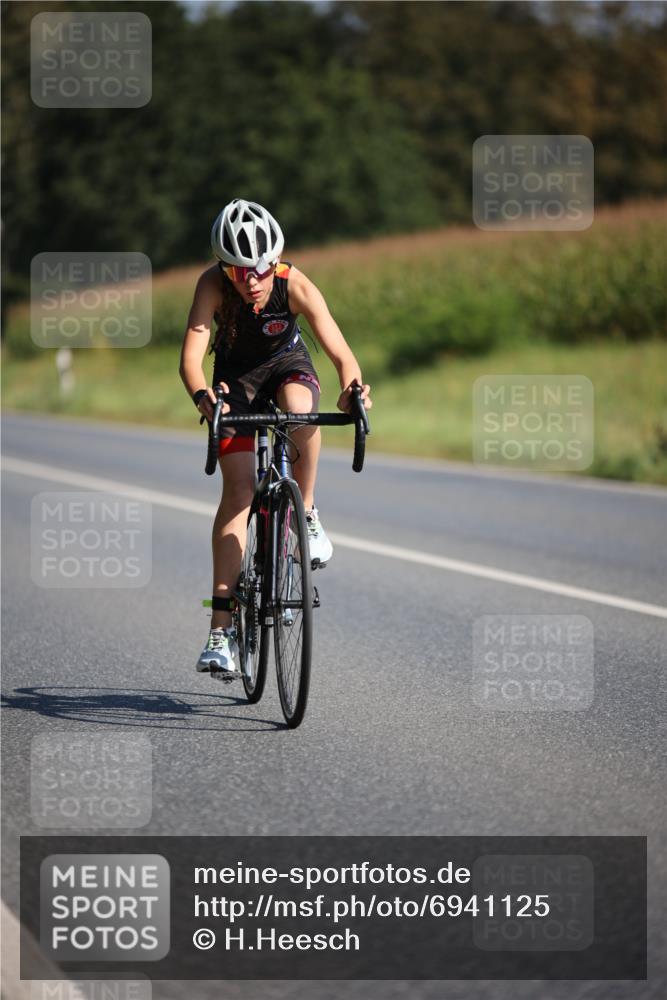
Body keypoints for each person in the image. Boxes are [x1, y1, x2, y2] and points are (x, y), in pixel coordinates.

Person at [179, 198, 372, 681]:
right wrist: (205, 398)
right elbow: (190, 359)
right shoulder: (211, 285)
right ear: (225, 268)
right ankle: (220, 633)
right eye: (240, 270)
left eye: (262, 268)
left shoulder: (295, 284)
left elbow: (342, 355)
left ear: (276, 261)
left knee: (300, 410)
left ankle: (304, 512)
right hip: (235, 380)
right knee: (239, 492)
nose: (253, 279)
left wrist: (352, 392)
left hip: (288, 365)